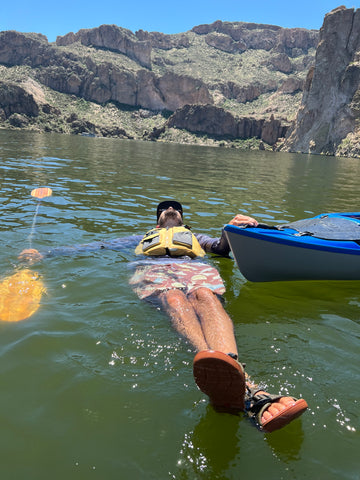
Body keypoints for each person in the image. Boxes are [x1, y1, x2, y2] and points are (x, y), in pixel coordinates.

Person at [20, 200, 308, 433]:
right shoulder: (142, 238)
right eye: (164, 209)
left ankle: (233, 376)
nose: (170, 209)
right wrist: (47, 253)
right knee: (173, 297)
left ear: (181, 218)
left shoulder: (195, 238)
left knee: (205, 296)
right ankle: (243, 387)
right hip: (154, 269)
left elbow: (222, 249)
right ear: (158, 221)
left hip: (192, 269)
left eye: (175, 208)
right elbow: (98, 246)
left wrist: (233, 229)